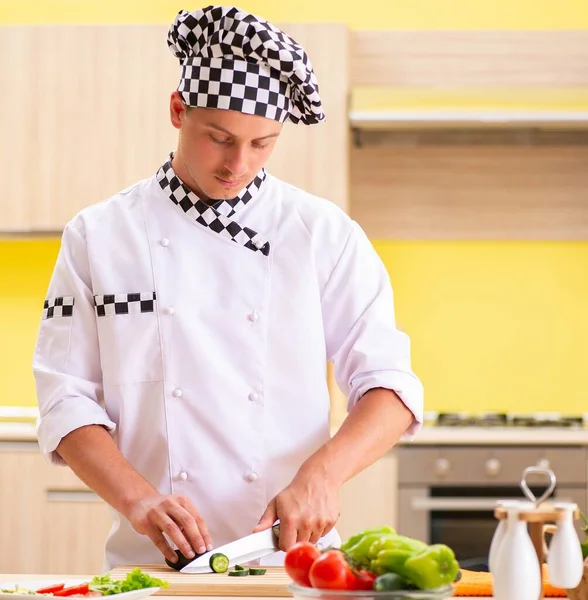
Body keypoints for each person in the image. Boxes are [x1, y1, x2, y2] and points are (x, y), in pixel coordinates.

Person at [32, 5, 424, 572]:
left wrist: (322, 476)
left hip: (295, 560)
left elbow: (389, 387)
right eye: (219, 138)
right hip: (152, 564)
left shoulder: (322, 234)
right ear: (177, 111)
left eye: (262, 143)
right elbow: (65, 399)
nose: (238, 164)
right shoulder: (100, 235)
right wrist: (139, 500)